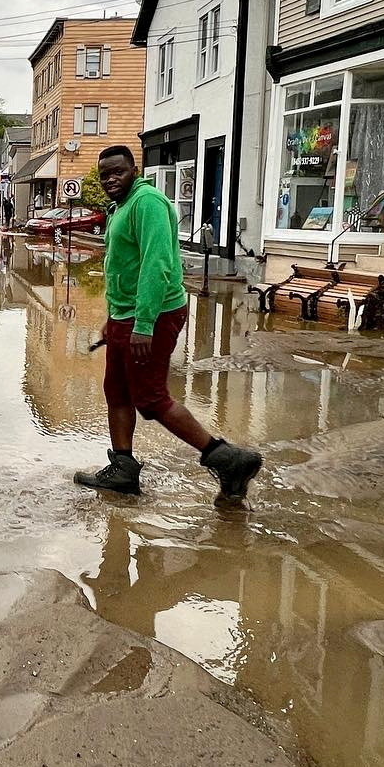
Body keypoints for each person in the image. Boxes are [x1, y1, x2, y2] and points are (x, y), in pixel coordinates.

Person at [74, 145, 262, 503]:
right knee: (116, 390)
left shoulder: (148, 204)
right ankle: (124, 469)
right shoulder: (121, 208)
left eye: (118, 172)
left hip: (154, 315)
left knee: (150, 397)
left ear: (135, 170)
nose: (111, 179)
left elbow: (156, 266)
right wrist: (112, 319)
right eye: (104, 175)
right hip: (126, 315)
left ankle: (228, 459)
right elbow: (123, 270)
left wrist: (143, 323)